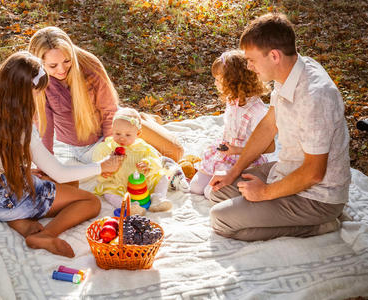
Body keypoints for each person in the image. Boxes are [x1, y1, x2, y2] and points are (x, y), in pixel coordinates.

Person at [0, 51, 123, 258]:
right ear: (25, 91)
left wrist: (25, 171)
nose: (39, 96)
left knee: (54, 181)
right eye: (37, 92)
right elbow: (61, 173)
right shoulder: (21, 128)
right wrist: (102, 166)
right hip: (13, 197)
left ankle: (22, 223)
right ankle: (46, 235)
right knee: (89, 201)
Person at [208, 13, 351, 241]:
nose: (249, 67)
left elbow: (315, 173)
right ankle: (268, 202)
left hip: (317, 197)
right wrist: (233, 172)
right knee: (215, 191)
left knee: (221, 219)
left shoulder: (316, 96)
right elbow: (268, 125)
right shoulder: (286, 72)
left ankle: (321, 225)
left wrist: (264, 193)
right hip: (287, 169)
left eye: (252, 60)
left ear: (274, 55)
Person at [28, 26, 184, 166]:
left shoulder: (89, 65)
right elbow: (43, 127)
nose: (61, 70)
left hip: (115, 126)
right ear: (40, 64)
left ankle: (142, 119)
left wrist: (114, 146)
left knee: (175, 153)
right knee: (142, 165)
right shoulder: (37, 81)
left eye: (67, 61)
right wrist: (46, 166)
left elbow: (109, 110)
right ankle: (144, 120)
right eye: (53, 66)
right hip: (86, 148)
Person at [190, 50, 274, 196]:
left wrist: (236, 150)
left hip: (244, 159)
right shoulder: (232, 99)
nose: (215, 83)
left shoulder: (256, 111)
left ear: (233, 80)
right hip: (226, 153)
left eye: (219, 79)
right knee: (196, 187)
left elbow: (271, 147)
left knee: (210, 192)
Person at [92, 107, 172, 214]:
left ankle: (158, 198)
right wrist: (104, 172)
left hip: (143, 183)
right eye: (117, 133)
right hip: (119, 183)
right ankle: (128, 206)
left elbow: (155, 158)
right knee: (108, 192)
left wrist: (147, 163)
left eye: (128, 135)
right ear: (112, 130)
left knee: (163, 177)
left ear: (138, 134)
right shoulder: (108, 147)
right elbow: (99, 161)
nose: (122, 138)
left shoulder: (142, 146)